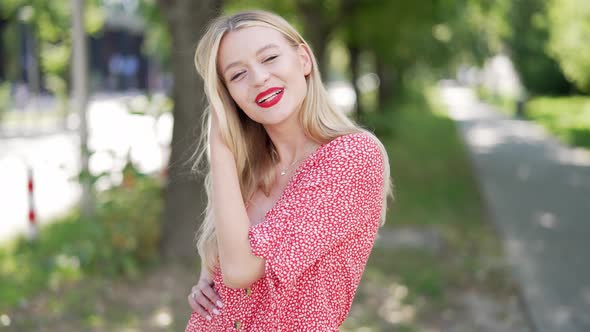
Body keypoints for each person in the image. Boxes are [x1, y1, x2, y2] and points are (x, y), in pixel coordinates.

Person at [185, 10, 393, 331]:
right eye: (238, 75)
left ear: (304, 59)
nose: (258, 78)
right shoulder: (247, 172)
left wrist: (220, 146)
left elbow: (240, 270)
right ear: (229, 98)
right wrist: (207, 283)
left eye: (269, 58)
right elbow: (225, 276)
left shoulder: (351, 156)